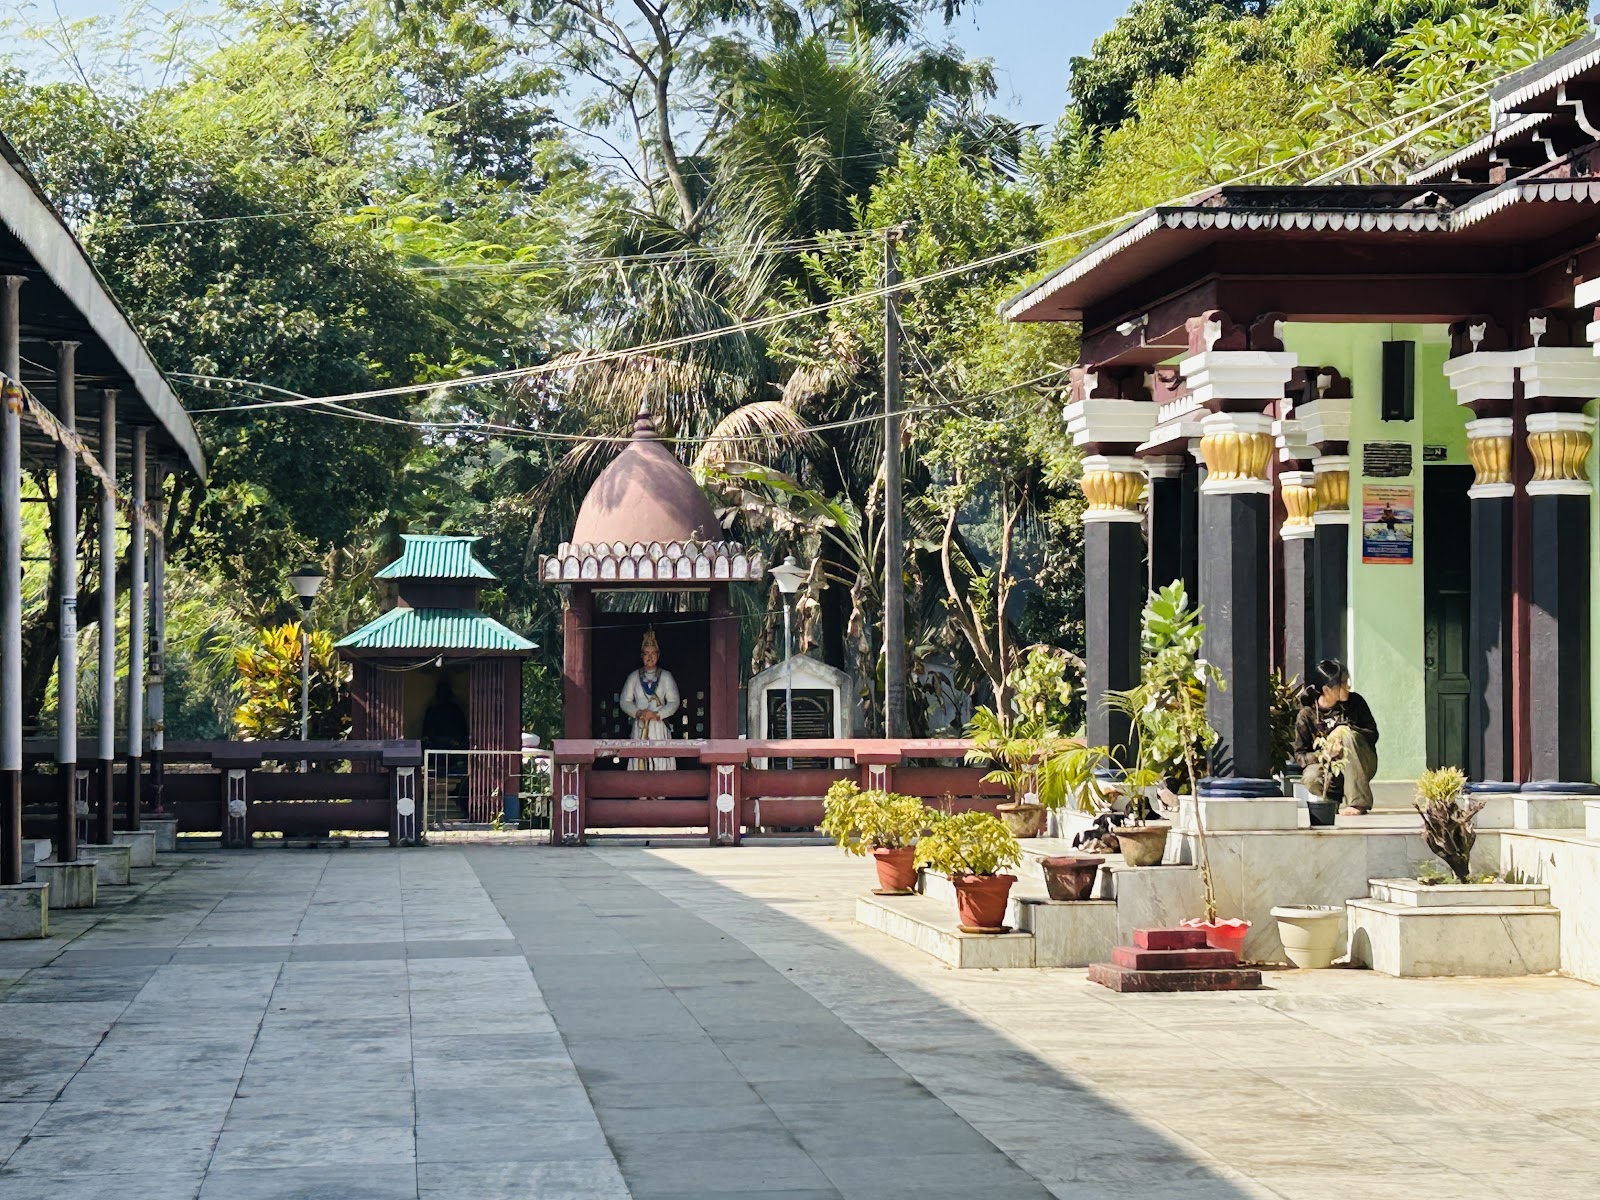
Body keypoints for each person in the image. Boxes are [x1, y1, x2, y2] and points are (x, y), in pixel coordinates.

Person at [1293, 659, 1379, 815]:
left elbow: (1373, 734)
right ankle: (1333, 800)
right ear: (1327, 690)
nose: (1348, 687)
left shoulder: (1355, 702)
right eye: (1343, 683)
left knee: (1348, 736)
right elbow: (1300, 756)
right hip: (1330, 768)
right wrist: (1325, 754)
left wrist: (1345, 729)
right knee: (1311, 777)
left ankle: (1358, 802)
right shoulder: (1307, 715)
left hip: (1362, 762)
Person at [620, 629, 680, 772]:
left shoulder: (666, 676)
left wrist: (657, 714)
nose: (650, 657)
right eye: (646, 653)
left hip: (658, 726)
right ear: (642, 656)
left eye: (653, 653)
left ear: (658, 655)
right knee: (638, 760)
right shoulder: (633, 677)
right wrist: (639, 713)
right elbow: (624, 701)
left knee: (660, 762)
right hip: (640, 725)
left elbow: (674, 702)